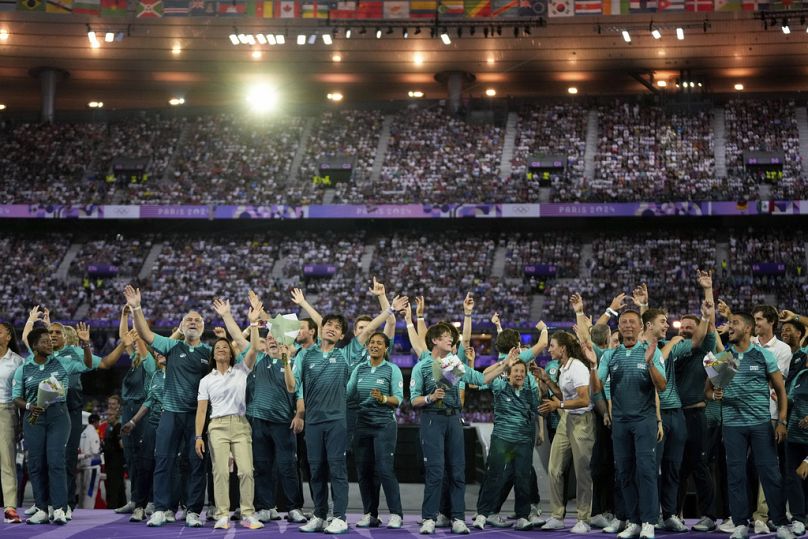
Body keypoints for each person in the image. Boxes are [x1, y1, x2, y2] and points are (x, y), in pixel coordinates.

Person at [294, 292, 407, 534]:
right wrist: (303, 305)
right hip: (313, 422)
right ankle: (319, 515)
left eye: (338, 328)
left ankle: (340, 517)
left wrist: (388, 311)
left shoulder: (345, 355)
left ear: (344, 335)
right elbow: (313, 327)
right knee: (316, 470)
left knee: (337, 469)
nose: (332, 329)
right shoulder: (307, 354)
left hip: (337, 421)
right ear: (321, 329)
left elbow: (367, 332)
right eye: (329, 326)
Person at [406, 302, 522, 535]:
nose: (451, 339)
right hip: (432, 419)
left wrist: (504, 365)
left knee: (458, 470)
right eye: (447, 336)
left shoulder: (453, 363)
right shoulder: (423, 366)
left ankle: (458, 518)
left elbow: (479, 379)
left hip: (453, 420)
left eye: (451, 336)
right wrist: (430, 397)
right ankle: (429, 517)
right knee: (436, 471)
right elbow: (413, 400)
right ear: (435, 340)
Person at [123, 284, 211, 528]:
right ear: (181, 327)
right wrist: (137, 308)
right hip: (170, 413)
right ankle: (161, 508)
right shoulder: (172, 346)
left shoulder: (210, 352)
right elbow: (146, 334)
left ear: (203, 326)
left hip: (196, 415)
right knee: (163, 461)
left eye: (198, 319)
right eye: (189, 319)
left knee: (195, 463)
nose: (193, 322)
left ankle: (193, 510)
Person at [706, 312, 793, 539]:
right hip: (733, 426)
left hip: (760, 424)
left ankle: (780, 523)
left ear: (747, 329)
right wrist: (715, 394)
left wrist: (781, 421)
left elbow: (781, 391)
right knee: (736, 475)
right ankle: (741, 523)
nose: (730, 327)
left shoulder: (763, 356)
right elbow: (707, 391)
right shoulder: (724, 357)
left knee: (770, 474)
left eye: (734, 323)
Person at [12, 324, 109, 524]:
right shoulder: (24, 368)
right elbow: (16, 398)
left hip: (58, 416)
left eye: (51, 340)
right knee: (36, 464)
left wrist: (85, 345)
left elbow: (88, 365)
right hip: (33, 418)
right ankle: (41, 507)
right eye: (45, 342)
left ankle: (59, 508)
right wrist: (29, 406)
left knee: (56, 461)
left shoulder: (63, 363)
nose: (50, 344)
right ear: (34, 346)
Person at [593, 308, 665, 539]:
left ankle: (649, 522)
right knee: (623, 472)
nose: (628, 326)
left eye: (632, 322)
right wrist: (593, 366)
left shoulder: (652, 351)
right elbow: (597, 388)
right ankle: (633, 521)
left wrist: (650, 364)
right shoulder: (609, 355)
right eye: (623, 322)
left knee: (646, 471)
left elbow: (662, 387)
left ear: (640, 326)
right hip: (620, 422)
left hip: (644, 420)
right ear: (619, 327)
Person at [194, 299, 264, 530]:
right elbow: (202, 410)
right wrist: (198, 436)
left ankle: (248, 513)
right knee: (221, 471)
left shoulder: (241, 371)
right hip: (217, 427)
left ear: (231, 353)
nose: (222, 349)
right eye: (218, 348)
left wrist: (253, 324)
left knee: (245, 470)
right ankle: (222, 513)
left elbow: (254, 348)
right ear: (213, 355)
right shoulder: (206, 380)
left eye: (226, 347)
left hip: (241, 424)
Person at [473, 353, 540, 532]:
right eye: (516, 371)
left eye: (522, 372)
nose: (519, 374)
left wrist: (537, 381)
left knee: (522, 479)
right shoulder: (500, 386)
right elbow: (482, 379)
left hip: (523, 442)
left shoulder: (530, 391)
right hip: (502, 441)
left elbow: (538, 409)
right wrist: (503, 363)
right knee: (494, 476)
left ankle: (523, 516)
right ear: (509, 374)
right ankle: (482, 514)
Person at [538, 331, 596, 534]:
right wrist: (546, 380)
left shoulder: (578, 367)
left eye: (552, 345)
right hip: (567, 419)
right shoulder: (563, 368)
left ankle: (583, 519)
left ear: (562, 348)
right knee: (554, 468)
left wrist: (558, 405)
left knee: (582, 472)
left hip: (582, 421)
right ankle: (556, 516)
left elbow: (585, 399)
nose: (549, 348)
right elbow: (564, 395)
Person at [347, 331, 404, 529]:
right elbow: (348, 394)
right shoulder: (359, 369)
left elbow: (398, 400)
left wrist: (383, 399)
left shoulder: (392, 369)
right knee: (363, 472)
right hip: (362, 425)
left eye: (379, 343)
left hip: (384, 426)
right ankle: (370, 514)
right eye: (372, 342)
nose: (374, 345)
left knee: (385, 470)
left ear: (386, 348)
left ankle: (396, 514)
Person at [115, 306, 153, 515]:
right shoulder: (134, 360)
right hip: (127, 410)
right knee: (130, 456)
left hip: (143, 411)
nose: (133, 344)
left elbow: (133, 340)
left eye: (138, 341)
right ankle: (135, 499)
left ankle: (146, 500)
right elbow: (124, 337)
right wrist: (124, 315)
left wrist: (137, 333)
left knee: (145, 456)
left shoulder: (151, 361)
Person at [122, 349, 165, 522]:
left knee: (167, 465)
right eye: (156, 354)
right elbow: (149, 400)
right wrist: (133, 421)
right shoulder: (154, 376)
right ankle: (139, 506)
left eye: (162, 352)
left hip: (172, 423)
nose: (158, 355)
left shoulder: (179, 374)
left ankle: (163, 506)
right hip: (153, 423)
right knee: (144, 463)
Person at [0, 322, 23, 524]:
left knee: (7, 461)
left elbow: (22, 393)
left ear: (8, 336)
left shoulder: (17, 362)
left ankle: (10, 508)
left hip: (6, 411)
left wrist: (23, 421)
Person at [103, 395, 126, 509]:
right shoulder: (108, 426)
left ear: (118, 407)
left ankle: (112, 507)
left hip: (116, 462)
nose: (111, 406)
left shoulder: (119, 425)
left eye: (113, 404)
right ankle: (121, 505)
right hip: (110, 461)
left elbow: (122, 445)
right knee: (118, 485)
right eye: (109, 404)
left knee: (115, 485)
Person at [77, 414, 102, 509]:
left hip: (83, 464)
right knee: (90, 491)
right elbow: (95, 451)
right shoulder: (93, 433)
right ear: (96, 421)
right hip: (92, 466)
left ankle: (81, 509)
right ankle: (88, 510)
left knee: (82, 491)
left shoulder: (83, 433)